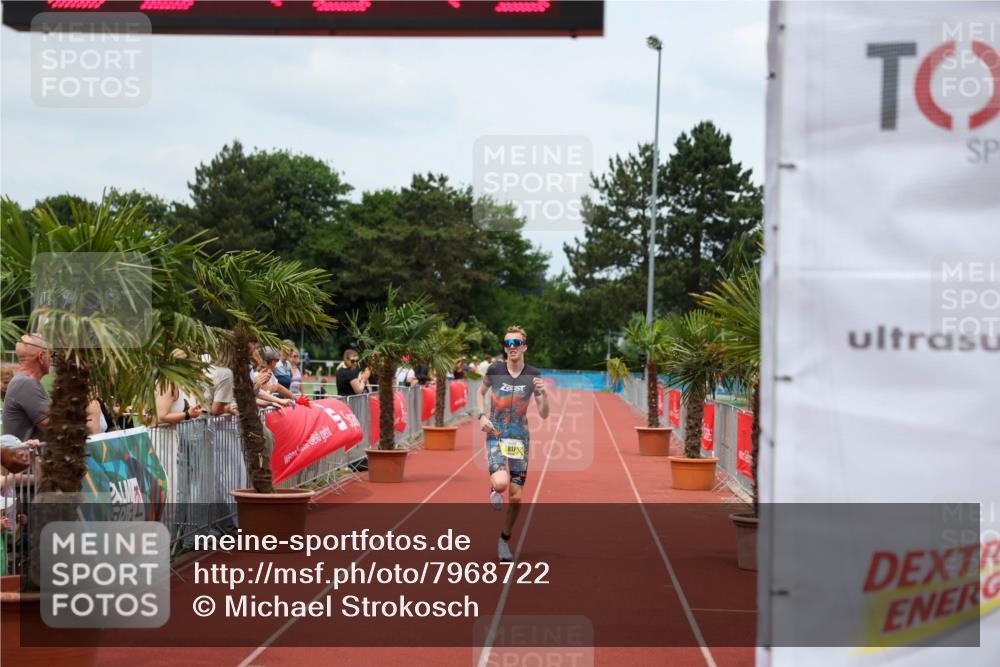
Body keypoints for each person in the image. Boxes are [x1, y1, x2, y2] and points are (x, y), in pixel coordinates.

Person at [476, 325, 549, 562]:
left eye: (516, 343)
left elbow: (545, 413)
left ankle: (503, 540)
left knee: (516, 497)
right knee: (500, 484)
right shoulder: (495, 369)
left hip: (519, 437)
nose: (512, 348)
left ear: (524, 347)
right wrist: (481, 416)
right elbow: (480, 393)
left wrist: (544, 394)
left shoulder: (533, 374)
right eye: (508, 344)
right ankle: (494, 489)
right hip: (496, 432)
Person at [2, 334, 51, 442]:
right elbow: (51, 427)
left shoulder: (24, 381)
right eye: (50, 354)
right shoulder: (26, 384)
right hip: (27, 457)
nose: (51, 359)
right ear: (41, 356)